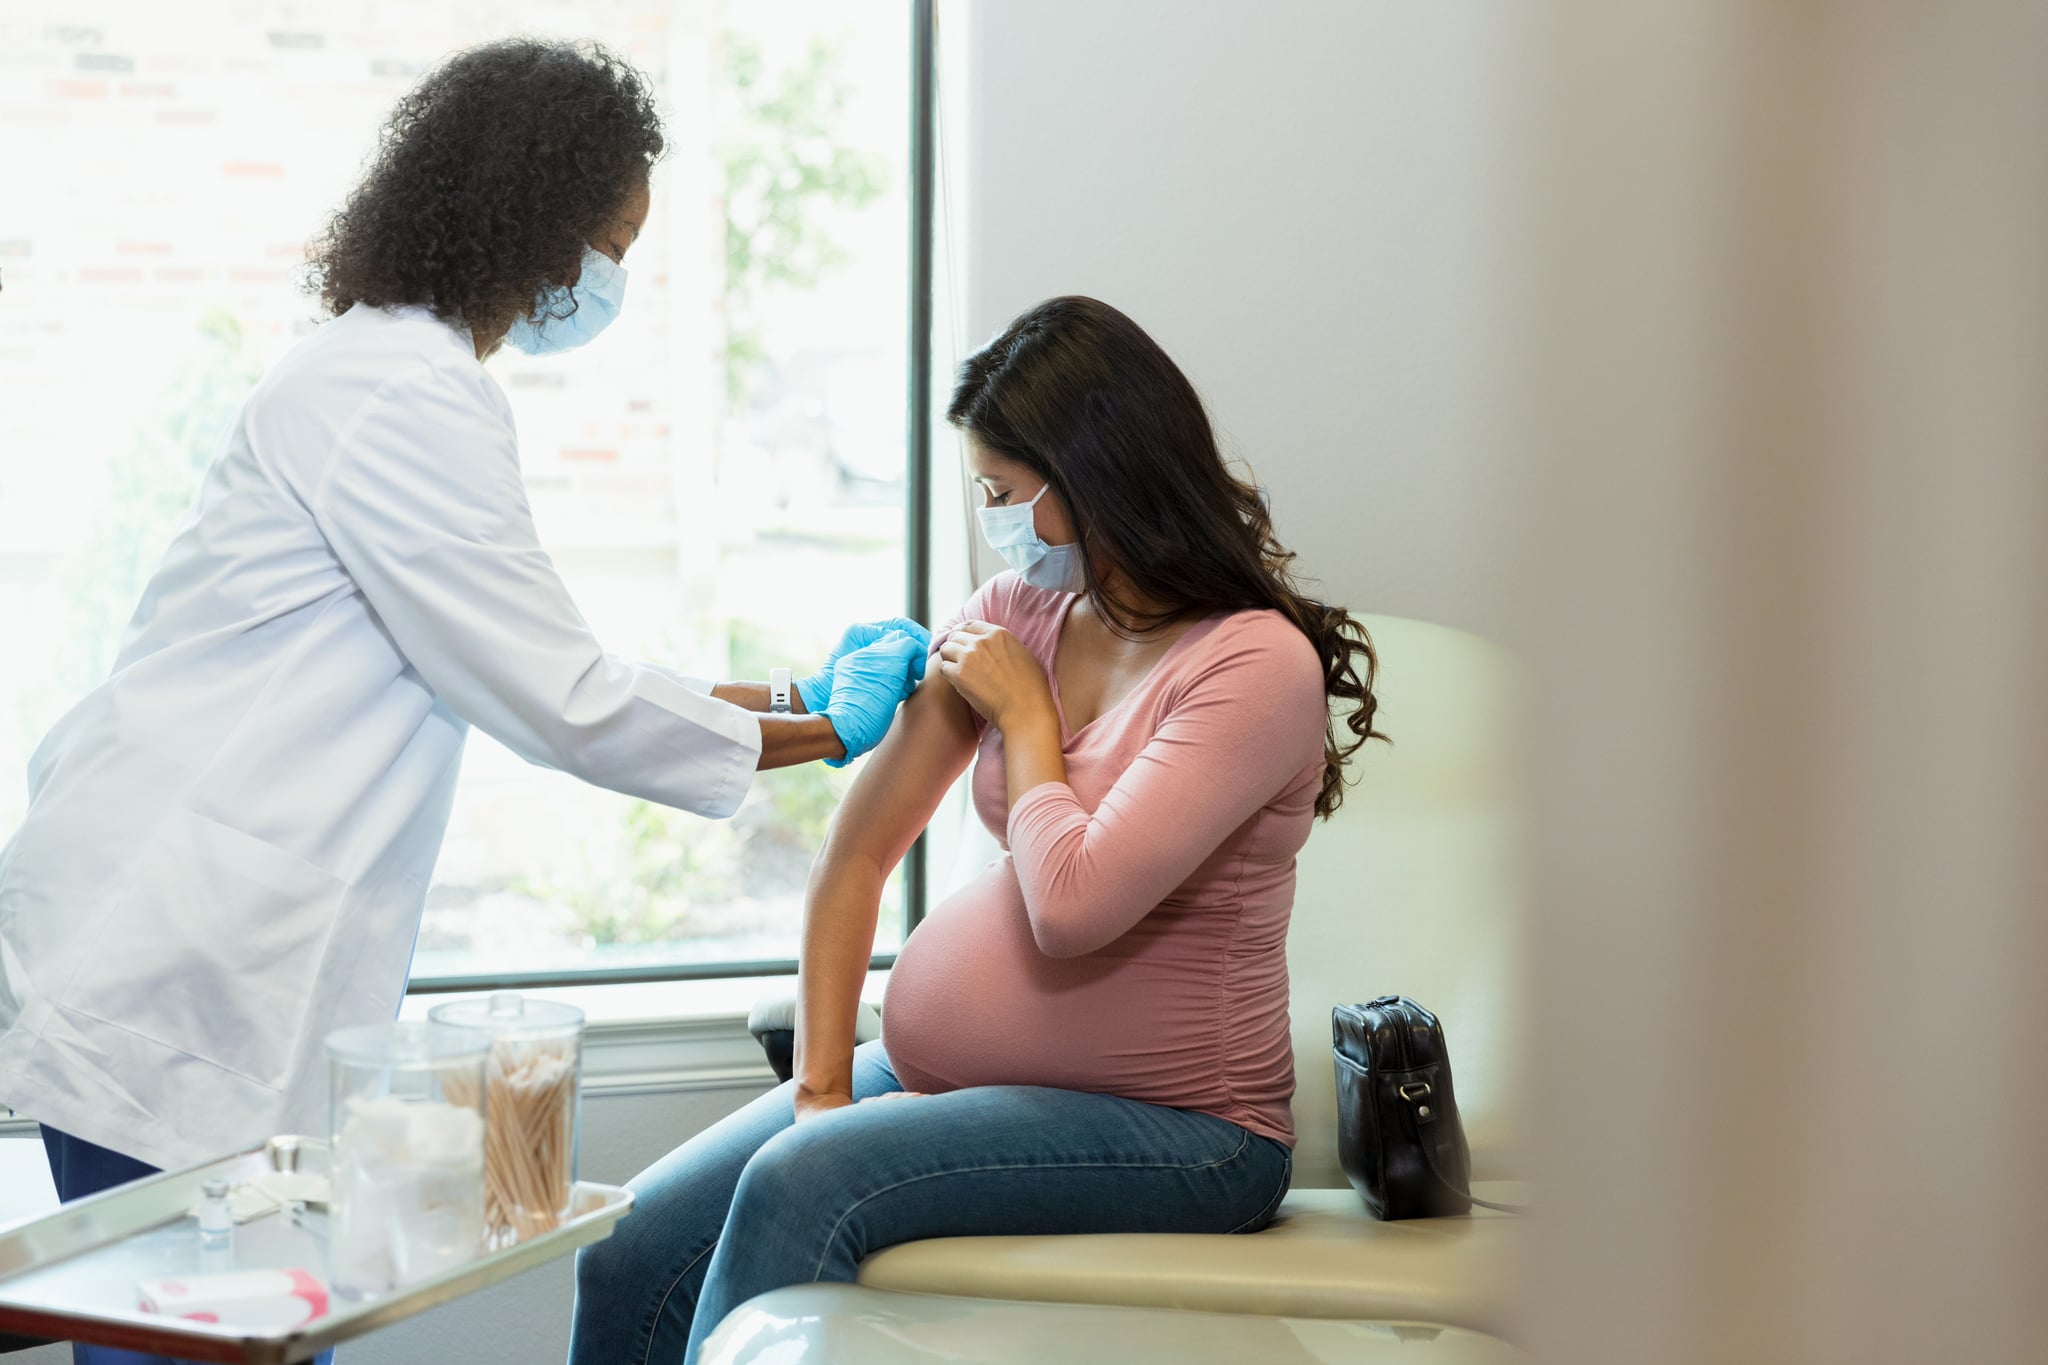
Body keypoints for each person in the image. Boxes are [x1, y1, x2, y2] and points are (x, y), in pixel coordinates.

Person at [0, 40, 924, 1365]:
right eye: (611, 246)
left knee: (233, 1338)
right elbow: (562, 699)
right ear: (530, 226)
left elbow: (535, 657)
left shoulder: (382, 376)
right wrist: (827, 726)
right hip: (176, 972)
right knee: (199, 1343)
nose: (609, 284)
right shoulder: (401, 394)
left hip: (191, 956)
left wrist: (787, 689)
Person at [565, 295, 1387, 1364]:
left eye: (1004, 492)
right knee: (628, 1243)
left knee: (802, 1181)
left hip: (1187, 1135)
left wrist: (1028, 719)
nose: (991, 519)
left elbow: (1074, 909)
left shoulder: (1250, 666)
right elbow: (856, 856)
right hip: (936, 1083)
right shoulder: (1014, 612)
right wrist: (818, 1089)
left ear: (1093, 479)